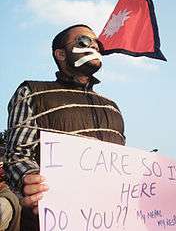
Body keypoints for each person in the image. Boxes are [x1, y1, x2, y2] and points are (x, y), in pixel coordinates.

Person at [4, 24, 125, 230]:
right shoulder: (32, 92)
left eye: (97, 43)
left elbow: (122, 168)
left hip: (107, 221)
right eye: (84, 41)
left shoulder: (112, 107)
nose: (94, 46)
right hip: (52, 220)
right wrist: (31, 179)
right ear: (60, 54)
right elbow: (17, 155)